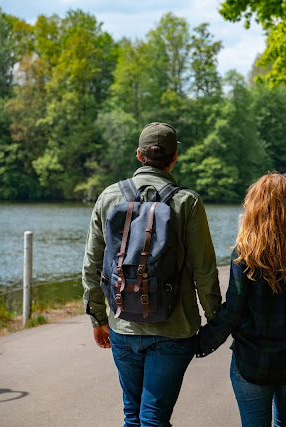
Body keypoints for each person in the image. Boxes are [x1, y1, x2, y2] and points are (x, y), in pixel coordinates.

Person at [82, 122, 221, 427]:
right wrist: (216, 320)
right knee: (154, 418)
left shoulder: (109, 197)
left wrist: (98, 319)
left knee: (134, 417)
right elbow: (204, 271)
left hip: (124, 325)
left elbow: (92, 265)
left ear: (138, 154)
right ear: (174, 157)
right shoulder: (188, 202)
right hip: (175, 328)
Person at [197, 172, 286, 427]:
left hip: (251, 363)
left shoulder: (245, 252)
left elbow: (233, 311)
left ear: (255, 207)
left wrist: (201, 342)